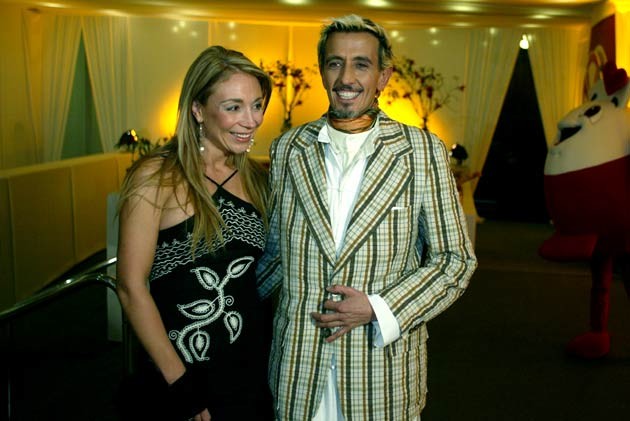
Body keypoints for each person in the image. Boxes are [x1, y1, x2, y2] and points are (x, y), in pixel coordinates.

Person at [256, 15, 477, 420]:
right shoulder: (288, 149)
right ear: (323, 71)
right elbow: (275, 256)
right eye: (335, 63)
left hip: (381, 372)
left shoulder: (421, 151)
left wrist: (379, 307)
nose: (347, 77)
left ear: (382, 77)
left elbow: (455, 260)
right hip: (298, 371)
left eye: (361, 64)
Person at [116, 45, 273, 421]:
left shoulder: (258, 179)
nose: (251, 120)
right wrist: (181, 385)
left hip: (250, 374)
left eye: (257, 105)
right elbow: (130, 287)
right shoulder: (157, 176)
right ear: (198, 110)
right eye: (233, 107)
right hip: (179, 376)